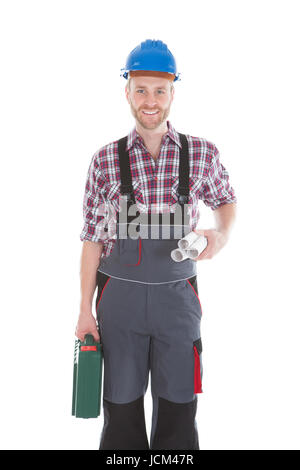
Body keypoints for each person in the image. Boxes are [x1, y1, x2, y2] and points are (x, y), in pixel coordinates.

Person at [75, 39, 237, 450]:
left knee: (179, 416)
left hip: (178, 305)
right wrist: (83, 312)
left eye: (159, 90)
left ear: (172, 93)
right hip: (118, 306)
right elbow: (92, 240)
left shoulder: (201, 154)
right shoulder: (105, 160)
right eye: (141, 89)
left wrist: (221, 233)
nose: (150, 100)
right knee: (121, 418)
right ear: (127, 91)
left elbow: (225, 200)